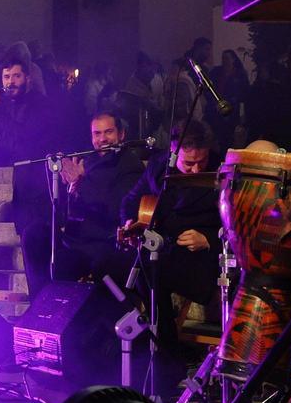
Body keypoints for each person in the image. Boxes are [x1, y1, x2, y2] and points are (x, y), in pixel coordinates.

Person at [21, 111, 145, 299]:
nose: (102, 139)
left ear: (121, 134)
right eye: (97, 133)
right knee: (34, 235)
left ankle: (61, 308)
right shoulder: (88, 160)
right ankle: (40, 306)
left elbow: (115, 209)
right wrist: (65, 189)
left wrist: (81, 182)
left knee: (63, 266)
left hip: (103, 243)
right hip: (74, 239)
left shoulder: (130, 165)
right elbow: (64, 211)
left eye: (108, 132)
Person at [119, 120, 222, 343]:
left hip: (199, 257)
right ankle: (146, 344)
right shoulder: (159, 165)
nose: (196, 169)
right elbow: (130, 200)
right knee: (121, 264)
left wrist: (209, 240)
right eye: (189, 163)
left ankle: (164, 347)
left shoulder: (221, 170)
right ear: (174, 151)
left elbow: (234, 224)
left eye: (201, 161)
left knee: (151, 270)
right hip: (161, 247)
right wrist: (129, 221)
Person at [0, 57, 55, 249]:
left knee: (38, 249)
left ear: (28, 78)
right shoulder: (8, 106)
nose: (10, 82)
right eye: (6, 77)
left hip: (39, 188)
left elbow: (25, 138)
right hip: (21, 187)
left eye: (16, 76)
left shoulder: (40, 104)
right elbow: (7, 146)